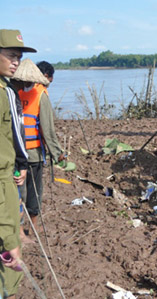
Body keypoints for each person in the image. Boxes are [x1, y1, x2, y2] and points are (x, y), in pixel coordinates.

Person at [0, 28, 37, 299]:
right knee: (10, 243)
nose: (16, 61)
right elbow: (17, 131)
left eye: (18, 56)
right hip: (5, 176)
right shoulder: (7, 93)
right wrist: (22, 163)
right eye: (11, 55)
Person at [12, 59, 65, 239]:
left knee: (17, 192)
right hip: (32, 154)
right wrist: (57, 153)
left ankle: (19, 230)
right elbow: (47, 128)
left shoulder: (12, 92)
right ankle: (32, 228)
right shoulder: (41, 94)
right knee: (34, 191)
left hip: (14, 153)